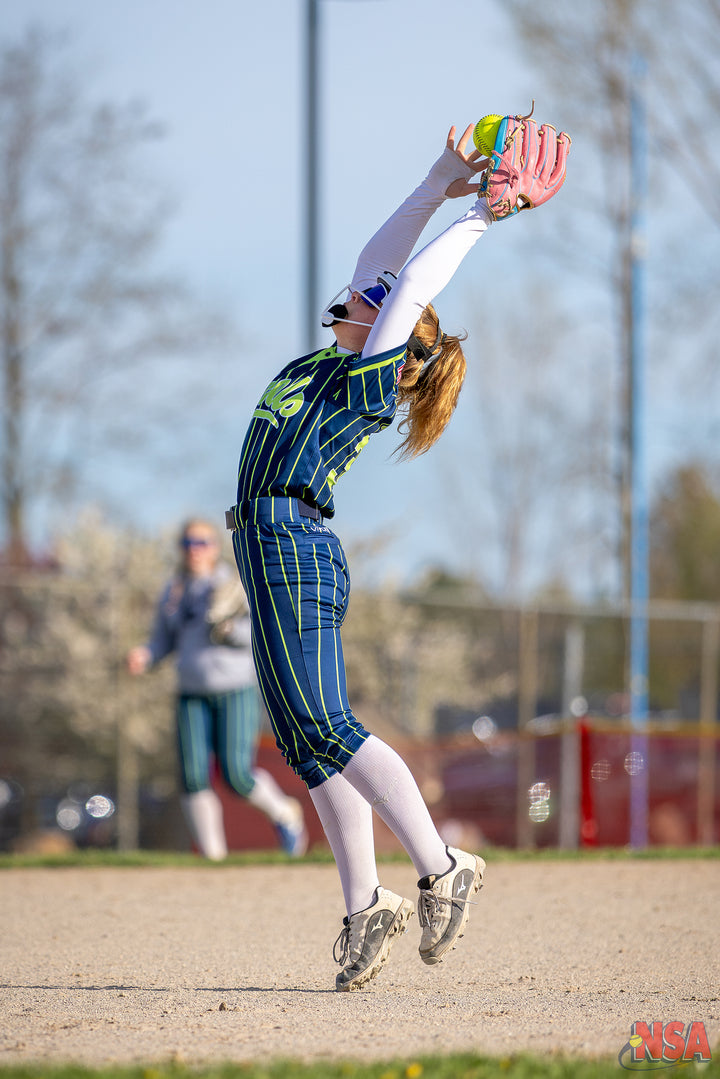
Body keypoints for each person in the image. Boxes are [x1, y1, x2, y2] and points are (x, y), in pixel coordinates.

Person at [226, 120, 570, 990]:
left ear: (397, 340)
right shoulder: (331, 356)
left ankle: (440, 863)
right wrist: (435, 183)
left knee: (330, 729)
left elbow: (411, 282)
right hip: (270, 547)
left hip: (291, 544)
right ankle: (364, 905)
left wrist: (489, 213)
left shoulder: (367, 375)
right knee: (307, 745)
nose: (365, 289)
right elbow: (388, 254)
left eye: (379, 301)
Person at [126, 517, 308, 860]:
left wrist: (229, 631)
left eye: (202, 543)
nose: (195, 550)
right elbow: (163, 640)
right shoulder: (174, 590)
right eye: (188, 544)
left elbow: (257, 634)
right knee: (193, 775)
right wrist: (145, 656)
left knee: (235, 775)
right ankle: (213, 857)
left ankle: (285, 813)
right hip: (190, 692)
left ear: (214, 547)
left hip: (233, 690)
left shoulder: (234, 584)